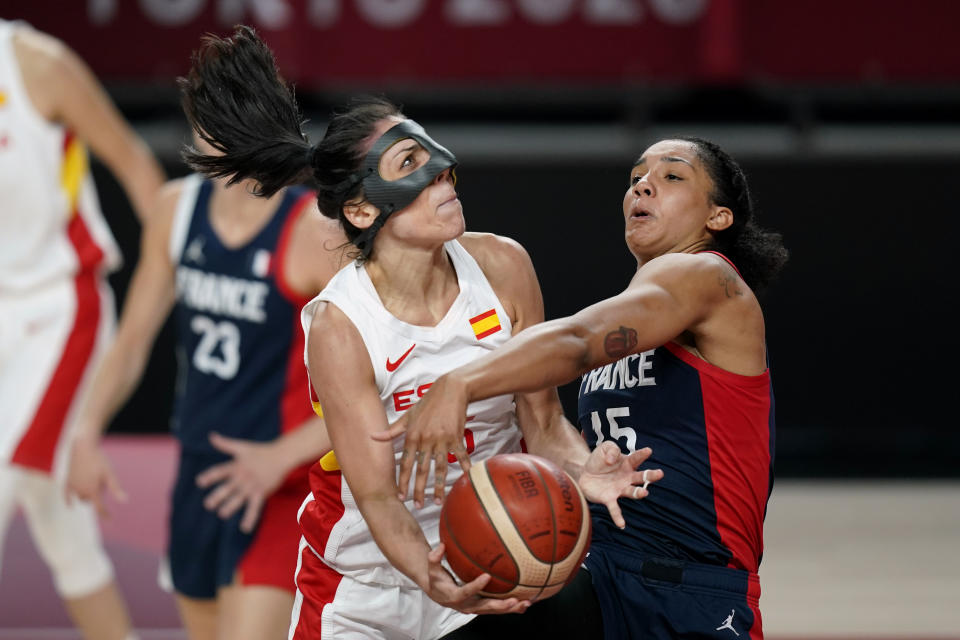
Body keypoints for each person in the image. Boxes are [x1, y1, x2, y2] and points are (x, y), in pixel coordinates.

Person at [177, 25, 663, 640]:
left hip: (487, 561)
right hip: (364, 586)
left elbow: (540, 422)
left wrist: (581, 466)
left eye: (432, 153)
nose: (442, 171)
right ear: (361, 210)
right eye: (412, 164)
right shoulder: (340, 323)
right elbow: (376, 497)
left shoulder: (503, 266)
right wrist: (428, 576)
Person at [384, 136, 789, 639]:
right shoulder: (636, 311)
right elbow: (552, 422)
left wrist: (458, 384)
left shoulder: (711, 279)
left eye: (672, 176)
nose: (644, 185)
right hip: (600, 575)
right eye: (637, 176)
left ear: (717, 218)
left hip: (690, 595)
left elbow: (575, 341)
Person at [66, 30, 346, 640]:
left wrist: (282, 455)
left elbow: (380, 376)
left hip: (282, 484)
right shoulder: (175, 210)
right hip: (200, 477)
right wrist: (85, 430)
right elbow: (133, 339)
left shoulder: (313, 233)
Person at [0, 19, 165, 640]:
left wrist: (175, 266)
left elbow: (132, 162)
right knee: (62, 526)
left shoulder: (33, 64)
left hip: (58, 310)